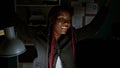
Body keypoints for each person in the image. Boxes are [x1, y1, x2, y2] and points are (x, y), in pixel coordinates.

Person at [15, 2, 109, 68]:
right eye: (61, 19)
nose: (66, 23)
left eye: (68, 20)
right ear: (52, 20)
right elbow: (18, 26)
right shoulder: (38, 35)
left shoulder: (73, 35)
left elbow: (93, 28)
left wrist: (105, 7)